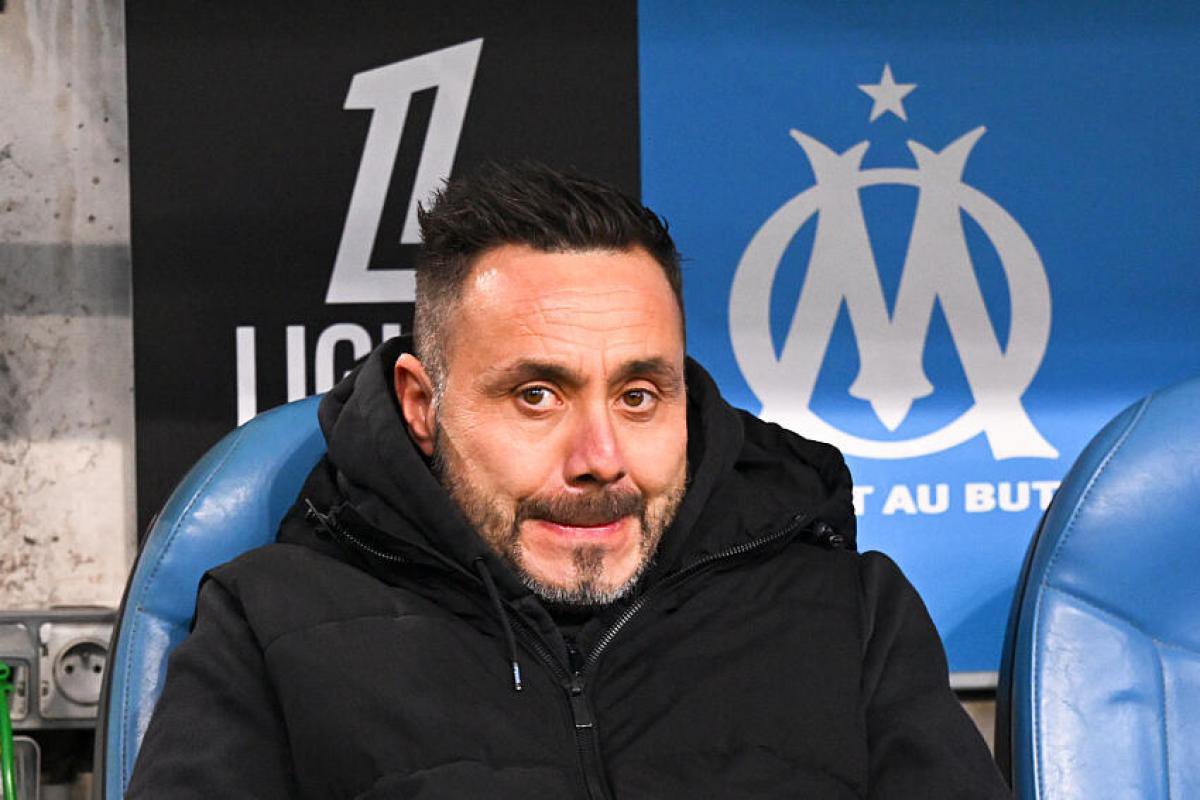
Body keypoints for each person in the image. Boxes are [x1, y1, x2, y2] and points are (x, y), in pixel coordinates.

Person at [127, 162, 1010, 798]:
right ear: (423, 405)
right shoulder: (269, 626)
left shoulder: (849, 616)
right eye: (537, 396)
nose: (600, 457)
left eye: (638, 395)